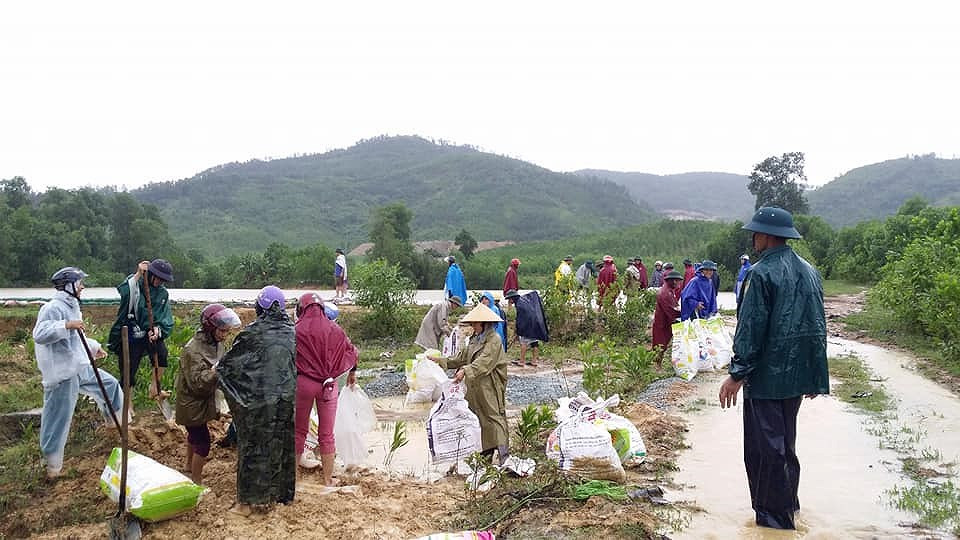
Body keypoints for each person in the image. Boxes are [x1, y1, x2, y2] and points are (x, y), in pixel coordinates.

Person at [718, 207, 828, 530]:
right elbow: (817, 327)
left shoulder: (760, 273)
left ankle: (773, 522)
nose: (753, 238)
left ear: (767, 235)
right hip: (794, 380)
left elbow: (750, 328)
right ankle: (789, 507)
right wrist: (814, 375)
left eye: (755, 233)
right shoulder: (809, 271)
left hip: (765, 380)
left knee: (766, 452)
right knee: (785, 445)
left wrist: (736, 374)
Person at [34, 267, 124, 479]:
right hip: (62, 373)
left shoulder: (72, 306)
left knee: (110, 385)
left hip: (78, 365)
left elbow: (74, 340)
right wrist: (65, 325)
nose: (82, 286)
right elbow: (40, 334)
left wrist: (93, 347)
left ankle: (116, 427)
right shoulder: (53, 308)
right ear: (68, 285)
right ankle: (51, 467)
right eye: (79, 282)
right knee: (58, 417)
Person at [218, 286, 296, 515]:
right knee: (282, 445)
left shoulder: (253, 333)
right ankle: (282, 496)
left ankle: (246, 504)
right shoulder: (292, 331)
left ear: (259, 307)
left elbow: (229, 367)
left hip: (259, 401)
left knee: (253, 449)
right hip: (286, 400)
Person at [294, 292, 358, 486]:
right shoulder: (335, 329)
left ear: (302, 309)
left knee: (298, 431)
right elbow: (352, 351)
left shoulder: (296, 330)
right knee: (327, 434)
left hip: (304, 384)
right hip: (329, 386)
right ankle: (328, 479)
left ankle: (294, 479)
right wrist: (352, 372)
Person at [175, 303, 242, 485]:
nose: (225, 335)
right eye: (222, 330)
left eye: (227, 331)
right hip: (191, 404)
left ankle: (189, 466)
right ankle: (196, 482)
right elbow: (198, 383)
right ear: (210, 328)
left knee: (194, 437)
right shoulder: (192, 350)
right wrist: (217, 370)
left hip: (201, 402)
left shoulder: (215, 344)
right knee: (203, 443)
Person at [436, 304, 509, 464]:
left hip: (490, 385)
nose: (473, 327)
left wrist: (465, 371)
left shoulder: (494, 340)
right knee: (479, 417)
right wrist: (440, 361)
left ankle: (504, 455)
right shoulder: (475, 340)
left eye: (475, 324)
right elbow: (461, 358)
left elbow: (485, 362)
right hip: (476, 385)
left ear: (484, 323)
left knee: (493, 417)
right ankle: (486, 454)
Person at [108, 259, 175, 393]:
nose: (160, 282)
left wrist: (157, 329)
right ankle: (127, 403)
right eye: (158, 278)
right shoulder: (135, 283)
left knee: (161, 353)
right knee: (129, 366)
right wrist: (138, 273)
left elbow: (163, 316)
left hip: (149, 332)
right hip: (131, 330)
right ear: (151, 274)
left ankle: (155, 387)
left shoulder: (162, 293)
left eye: (163, 280)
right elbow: (125, 293)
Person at [504, 289, 544, 367]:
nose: (509, 301)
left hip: (527, 326)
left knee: (523, 342)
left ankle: (522, 361)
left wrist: (518, 329)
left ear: (512, 298)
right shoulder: (524, 300)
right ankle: (534, 361)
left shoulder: (519, 304)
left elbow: (521, 318)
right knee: (534, 343)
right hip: (536, 324)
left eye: (509, 299)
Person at [651, 270, 684, 367]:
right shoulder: (665, 293)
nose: (679, 284)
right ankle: (656, 365)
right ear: (673, 281)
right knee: (660, 345)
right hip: (662, 323)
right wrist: (683, 314)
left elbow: (674, 306)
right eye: (678, 281)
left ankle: (657, 364)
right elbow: (671, 310)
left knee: (662, 344)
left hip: (665, 322)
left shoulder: (669, 290)